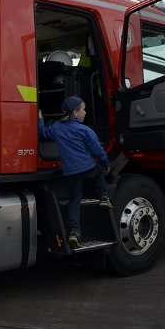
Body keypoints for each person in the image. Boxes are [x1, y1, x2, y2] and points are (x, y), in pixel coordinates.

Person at [38, 96, 112, 249]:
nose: (85, 112)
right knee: (99, 170)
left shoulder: (57, 128)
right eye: (83, 109)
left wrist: (40, 119)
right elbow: (98, 151)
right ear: (75, 112)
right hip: (88, 168)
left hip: (70, 173)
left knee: (74, 200)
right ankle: (104, 197)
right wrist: (106, 164)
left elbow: (43, 133)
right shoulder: (85, 130)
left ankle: (73, 233)